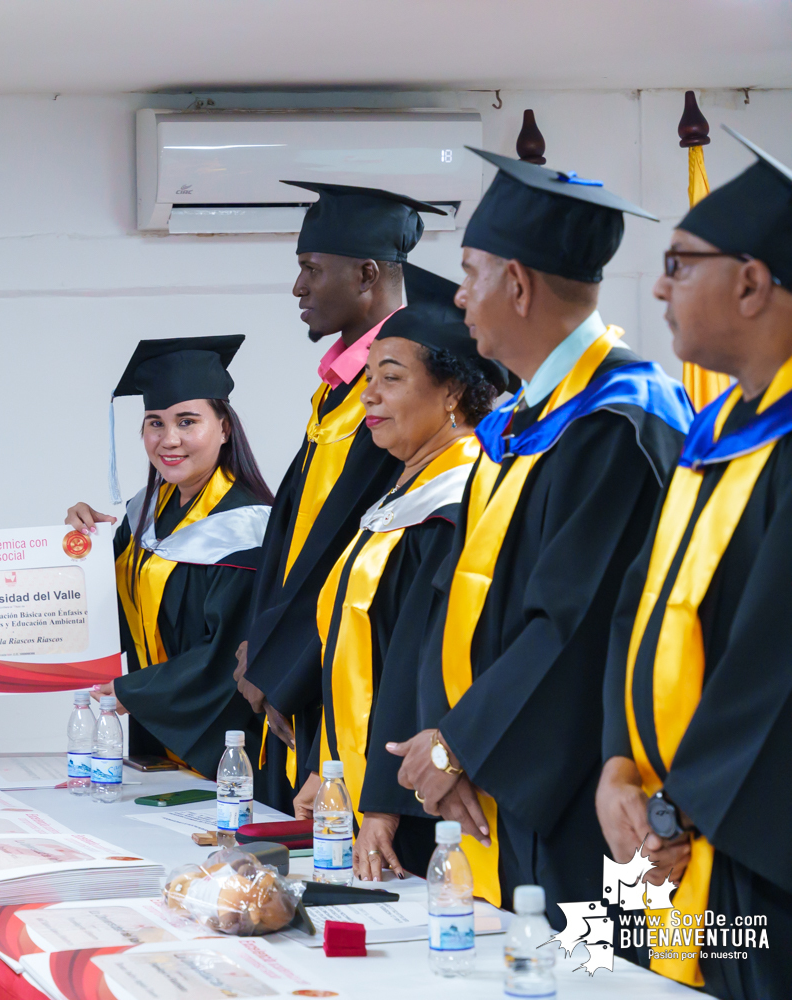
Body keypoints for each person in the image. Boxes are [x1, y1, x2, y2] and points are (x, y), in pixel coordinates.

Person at [389, 150, 694, 925]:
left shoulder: (621, 422)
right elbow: (448, 593)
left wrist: (461, 740)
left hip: (577, 790)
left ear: (516, 283)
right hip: (496, 780)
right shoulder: (521, 423)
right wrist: (442, 740)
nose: (459, 298)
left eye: (469, 273)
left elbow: (576, 623)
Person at [597, 129, 792, 999]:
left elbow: (773, 671)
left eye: (680, 263)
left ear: (751, 282)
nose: (659, 285)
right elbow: (639, 613)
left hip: (757, 854)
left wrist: (678, 810)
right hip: (670, 836)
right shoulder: (716, 436)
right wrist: (615, 767)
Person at [291, 265, 509, 879]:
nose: (369, 396)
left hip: (426, 801)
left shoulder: (461, 499)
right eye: (367, 378)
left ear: (453, 394)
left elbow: (421, 656)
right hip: (368, 785)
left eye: (390, 378)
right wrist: (324, 762)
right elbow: (355, 644)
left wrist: (383, 801)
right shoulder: (398, 496)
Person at [235, 183, 447, 811]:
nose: (298, 288)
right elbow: (295, 532)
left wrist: (281, 665)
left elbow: (353, 545)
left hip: (342, 684)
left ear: (367, 274)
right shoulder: (335, 390)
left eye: (309, 269)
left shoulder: (400, 404)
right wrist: (260, 643)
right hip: (295, 673)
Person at [66, 336, 275, 781]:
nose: (169, 439)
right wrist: (82, 551)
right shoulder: (145, 516)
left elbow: (226, 657)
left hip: (227, 748)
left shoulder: (249, 529)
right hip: (154, 739)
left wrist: (136, 691)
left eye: (187, 421)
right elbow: (111, 613)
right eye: (154, 423)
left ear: (224, 428)